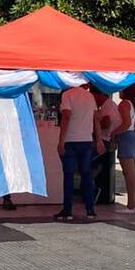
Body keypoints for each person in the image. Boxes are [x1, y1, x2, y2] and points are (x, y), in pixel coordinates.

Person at [55, 83, 103, 221]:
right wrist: (98, 140)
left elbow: (66, 117)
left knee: (69, 175)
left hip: (70, 140)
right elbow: (96, 120)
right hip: (86, 140)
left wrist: (61, 141)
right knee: (86, 175)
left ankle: (67, 210)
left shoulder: (67, 95)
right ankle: (90, 209)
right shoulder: (90, 97)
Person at [113, 87, 135, 213]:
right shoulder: (133, 105)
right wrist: (131, 129)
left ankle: (130, 205)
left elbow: (125, 123)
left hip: (125, 137)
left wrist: (114, 133)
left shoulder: (124, 104)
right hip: (132, 136)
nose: (119, 91)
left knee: (129, 173)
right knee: (133, 174)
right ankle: (134, 203)